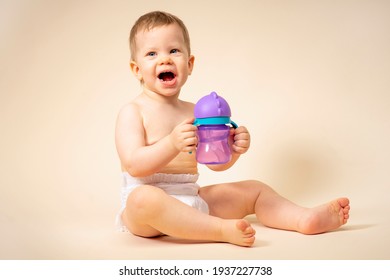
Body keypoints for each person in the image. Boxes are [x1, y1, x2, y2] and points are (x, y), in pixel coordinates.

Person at [115, 11, 350, 247]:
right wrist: (171, 143)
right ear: (137, 70)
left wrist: (232, 149)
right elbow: (135, 165)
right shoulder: (133, 111)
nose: (164, 59)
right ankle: (219, 230)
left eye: (174, 50)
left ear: (189, 64)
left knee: (255, 190)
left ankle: (303, 219)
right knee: (143, 199)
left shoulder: (195, 111)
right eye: (152, 53)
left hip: (192, 199)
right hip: (146, 215)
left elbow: (215, 163)